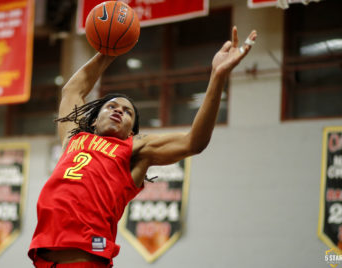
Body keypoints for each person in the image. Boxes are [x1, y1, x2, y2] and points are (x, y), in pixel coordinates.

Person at [28, 26, 257, 267]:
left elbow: (194, 142)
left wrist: (217, 76)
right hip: (45, 260)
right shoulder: (73, 138)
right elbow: (73, 90)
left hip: (84, 259)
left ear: (131, 130)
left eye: (127, 113)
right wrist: (108, 51)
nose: (119, 110)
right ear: (94, 119)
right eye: (112, 106)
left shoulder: (134, 150)